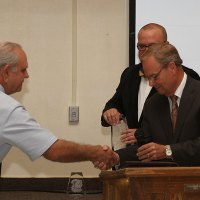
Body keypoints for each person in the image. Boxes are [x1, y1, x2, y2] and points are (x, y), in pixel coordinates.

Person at [0, 42, 119, 171]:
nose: (27, 75)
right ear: (6, 72)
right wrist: (96, 152)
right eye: (23, 70)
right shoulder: (6, 108)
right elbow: (53, 150)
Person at [101, 23, 200, 146]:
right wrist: (111, 110)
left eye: (152, 46)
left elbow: (184, 129)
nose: (146, 51)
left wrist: (142, 134)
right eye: (141, 46)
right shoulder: (130, 74)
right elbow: (116, 102)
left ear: (166, 45)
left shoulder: (187, 76)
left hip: (171, 158)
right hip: (133, 156)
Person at [116, 42, 200, 166]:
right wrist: (115, 156)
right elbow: (145, 148)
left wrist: (168, 151)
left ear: (171, 67)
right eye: (148, 77)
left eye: (154, 77)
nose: (151, 83)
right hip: (163, 182)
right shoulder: (153, 103)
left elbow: (163, 150)